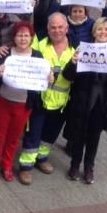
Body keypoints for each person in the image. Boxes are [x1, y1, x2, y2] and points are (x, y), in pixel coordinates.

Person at [63, 18, 107, 184]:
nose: (103, 33)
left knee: (93, 138)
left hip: (102, 103)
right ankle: (74, 165)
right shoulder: (84, 48)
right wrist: (73, 63)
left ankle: (89, 168)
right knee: (79, 136)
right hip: (83, 101)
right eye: (100, 30)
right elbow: (68, 76)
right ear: (94, 32)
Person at [18, 12, 74, 185]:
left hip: (61, 101)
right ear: (48, 29)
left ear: (67, 28)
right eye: (53, 27)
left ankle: (42, 159)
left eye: (60, 27)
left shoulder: (75, 49)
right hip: (40, 99)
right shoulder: (39, 45)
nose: (56, 31)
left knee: (50, 134)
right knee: (33, 133)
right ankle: (26, 167)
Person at [0, 21, 48, 181]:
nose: (23, 38)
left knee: (14, 138)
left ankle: (7, 166)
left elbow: (43, 78)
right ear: (14, 37)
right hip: (3, 102)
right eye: (19, 35)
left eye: (26, 35)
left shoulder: (37, 56)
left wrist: (50, 77)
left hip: (23, 105)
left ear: (31, 37)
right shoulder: (6, 52)